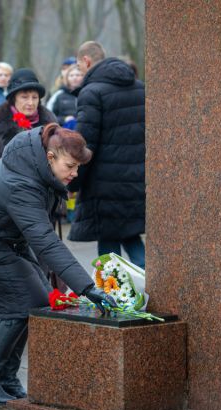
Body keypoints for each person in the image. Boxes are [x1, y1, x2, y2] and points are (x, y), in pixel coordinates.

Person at [0, 122, 117, 404]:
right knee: (24, 302)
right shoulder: (22, 182)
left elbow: (40, 234)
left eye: (78, 168)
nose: (75, 174)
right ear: (50, 157)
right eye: (70, 166)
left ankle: (7, 377)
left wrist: (58, 276)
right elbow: (44, 239)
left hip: (2, 238)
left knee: (36, 300)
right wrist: (87, 288)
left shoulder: (35, 165)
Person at [69, 41, 146, 268]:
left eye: (79, 65)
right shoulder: (140, 88)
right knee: (130, 237)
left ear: (86, 61)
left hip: (103, 185)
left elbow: (84, 144)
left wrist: (72, 181)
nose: (80, 71)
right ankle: (151, 287)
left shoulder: (91, 92)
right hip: (135, 180)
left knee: (109, 250)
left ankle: (113, 297)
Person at [0, 68, 56, 177]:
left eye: (34, 97)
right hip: (5, 188)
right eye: (24, 97)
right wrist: (7, 175)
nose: (30, 102)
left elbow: (58, 158)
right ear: (14, 98)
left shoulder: (50, 124)